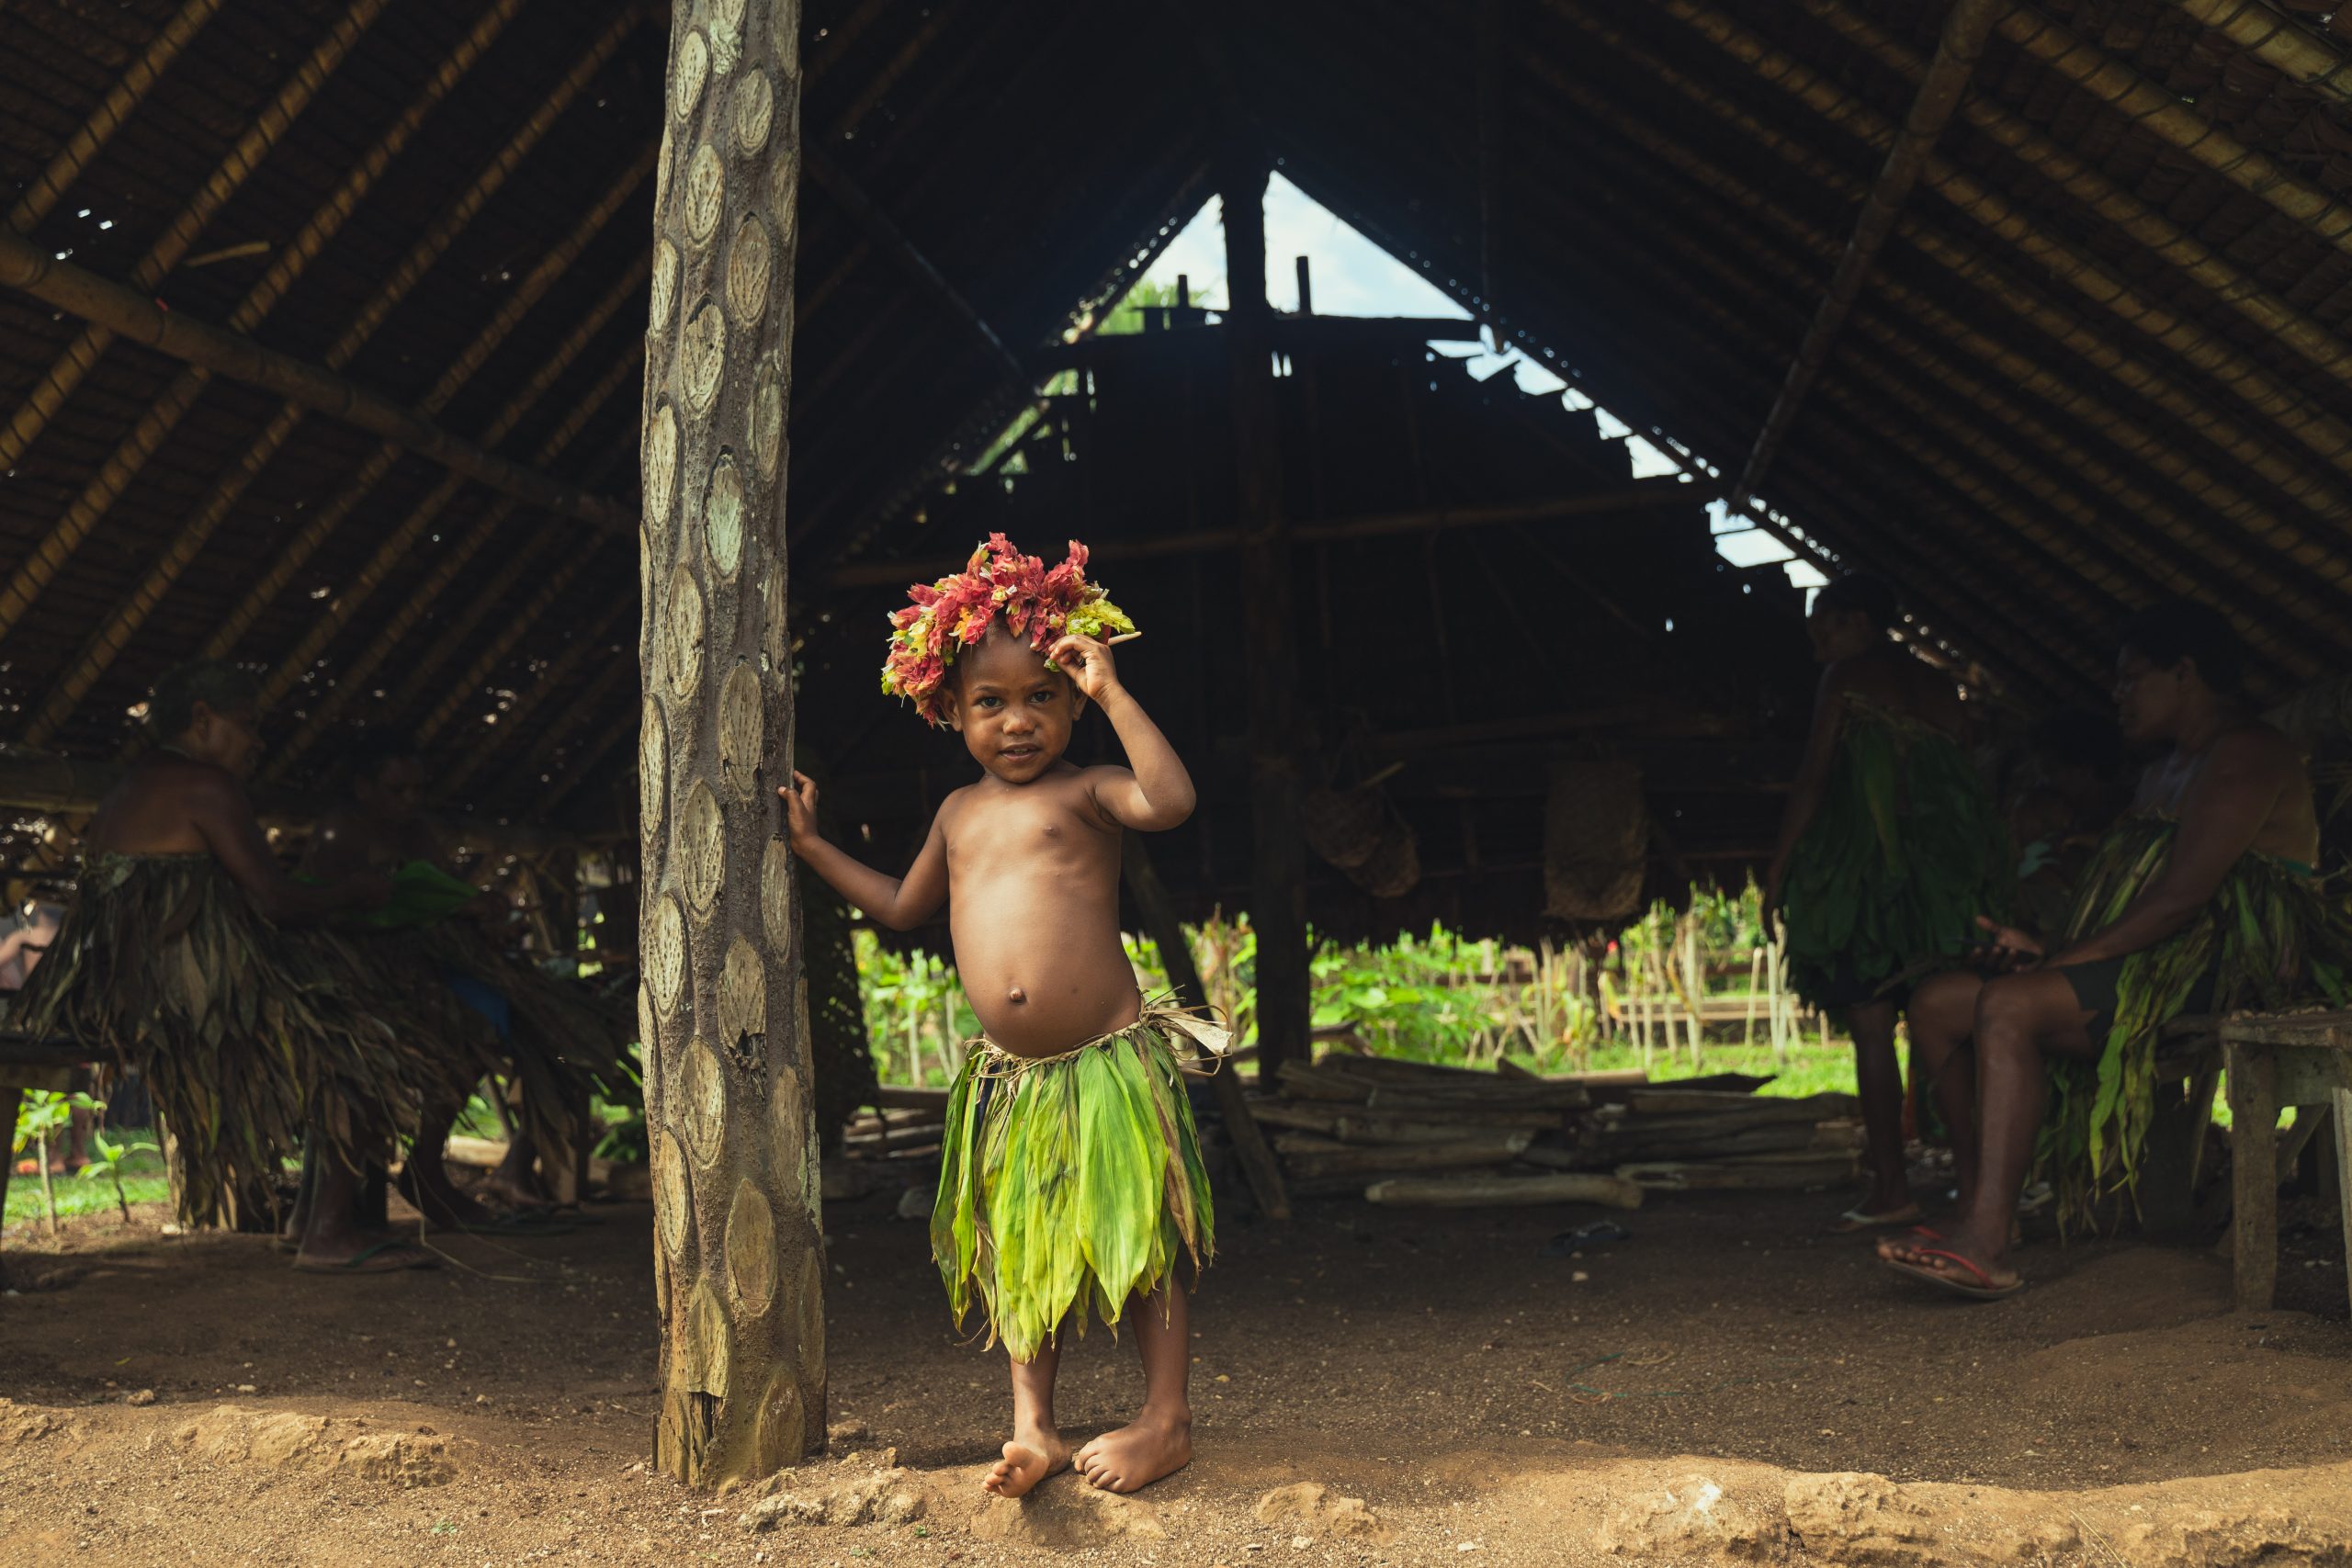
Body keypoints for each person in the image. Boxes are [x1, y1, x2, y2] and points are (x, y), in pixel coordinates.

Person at [783, 535, 1214, 1497]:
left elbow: (1172, 800)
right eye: (990, 702)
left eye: (1043, 696)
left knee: (1141, 1241)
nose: (1018, 721)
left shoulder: (1088, 791)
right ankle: (1034, 1429)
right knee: (1022, 1250)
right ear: (948, 708)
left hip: (1105, 1062)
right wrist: (812, 849)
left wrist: (1112, 691)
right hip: (1014, 1082)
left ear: (1071, 702)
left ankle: (1167, 1418)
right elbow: (902, 907)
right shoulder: (955, 814)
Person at [1885, 602, 2350, 1299]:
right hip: (2145, 964)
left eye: (2132, 678)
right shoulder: (2161, 772)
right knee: (1936, 1003)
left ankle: (1988, 1243)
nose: (2118, 694)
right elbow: (2130, 901)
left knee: (2008, 1005)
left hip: (2224, 970)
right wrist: (2046, 947)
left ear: (2184, 673)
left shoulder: (2247, 753)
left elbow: (2181, 899)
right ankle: (1976, 1208)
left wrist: (2059, 965)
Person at [8, 660, 458, 1271]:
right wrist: (354, 891)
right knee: (357, 1040)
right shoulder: (205, 785)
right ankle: (327, 1232)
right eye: (247, 724)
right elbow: (274, 899)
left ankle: (307, 1221)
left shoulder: (134, 783)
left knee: (339, 1025)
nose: (257, 741)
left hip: (123, 988)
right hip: (180, 990)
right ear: (202, 719)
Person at [1765, 575, 2010, 1232]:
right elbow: (1966, 787)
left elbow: (1815, 776)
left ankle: (1892, 1189)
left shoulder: (1846, 676)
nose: (1816, 638)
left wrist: (1780, 869)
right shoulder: (1941, 688)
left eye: (1826, 623)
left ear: (1860, 623)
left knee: (1872, 1029)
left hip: (1867, 882)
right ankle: (1973, 1186)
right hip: (1943, 886)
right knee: (1946, 1027)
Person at [304, 739, 611, 1231]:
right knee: (458, 1030)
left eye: (417, 790)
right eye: (396, 790)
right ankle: (410, 1179)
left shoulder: (417, 832)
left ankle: (434, 1167)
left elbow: (444, 894)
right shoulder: (340, 832)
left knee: (496, 1023)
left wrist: (481, 913)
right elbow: (325, 912)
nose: (409, 800)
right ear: (363, 788)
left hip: (427, 966)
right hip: (361, 974)